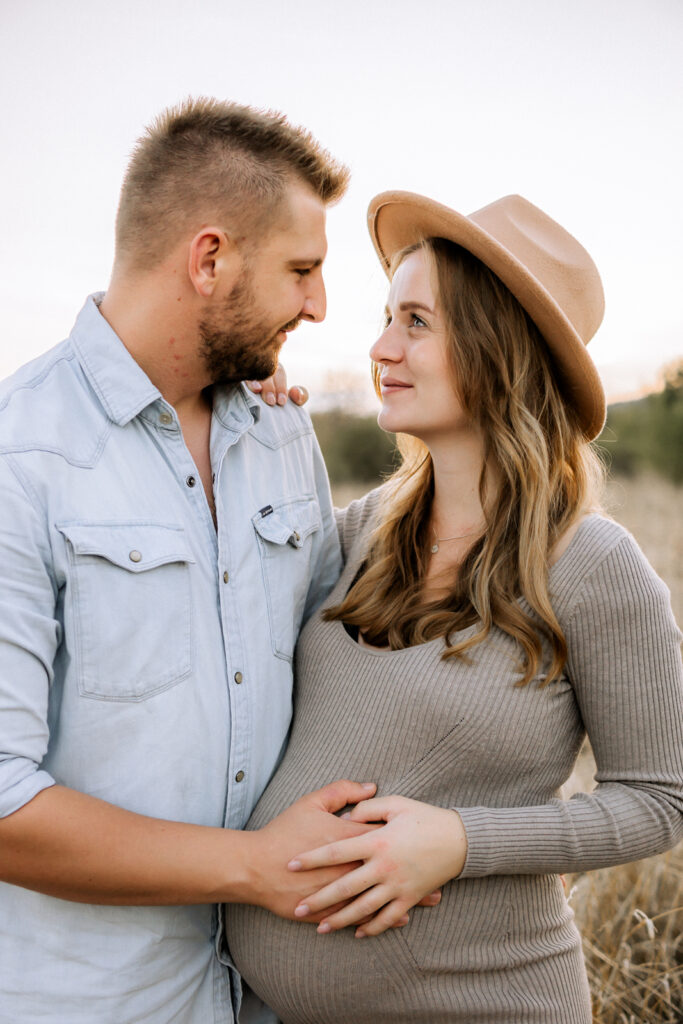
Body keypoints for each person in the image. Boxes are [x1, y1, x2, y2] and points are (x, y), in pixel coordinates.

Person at [225, 191, 683, 1022]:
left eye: (415, 323)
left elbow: (661, 798)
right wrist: (248, 439)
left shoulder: (589, 564)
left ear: (496, 349)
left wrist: (459, 843)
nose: (378, 347)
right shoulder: (361, 529)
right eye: (387, 317)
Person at [0, 97, 398, 1024]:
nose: (319, 304)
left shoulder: (279, 433)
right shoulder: (21, 462)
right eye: (301, 269)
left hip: (273, 991)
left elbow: (331, 665)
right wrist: (256, 871)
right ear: (209, 258)